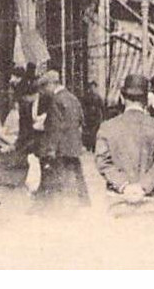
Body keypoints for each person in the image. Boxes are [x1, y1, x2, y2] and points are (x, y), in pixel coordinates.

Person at [95, 74, 154, 217]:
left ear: (122, 97)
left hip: (118, 201)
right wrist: (143, 187)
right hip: (152, 202)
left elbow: (102, 162)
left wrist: (124, 186)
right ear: (146, 100)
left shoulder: (107, 127)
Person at [36, 69, 89, 209]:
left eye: (44, 87)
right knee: (76, 179)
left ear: (51, 84)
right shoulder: (73, 98)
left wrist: (50, 150)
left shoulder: (56, 100)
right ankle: (81, 205)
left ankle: (54, 209)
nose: (43, 91)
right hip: (74, 146)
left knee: (57, 181)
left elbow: (55, 128)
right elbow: (81, 120)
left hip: (61, 148)